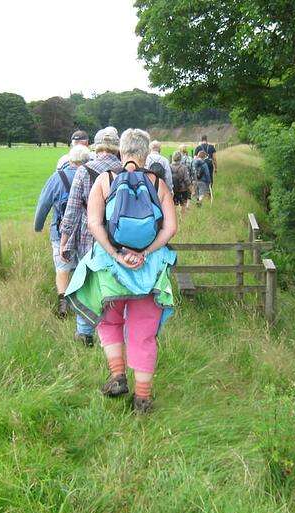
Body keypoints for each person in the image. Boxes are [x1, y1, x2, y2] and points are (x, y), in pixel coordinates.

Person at [65, 128, 177, 414]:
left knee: (109, 321)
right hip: (149, 272)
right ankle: (142, 399)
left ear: (122, 151)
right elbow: (170, 228)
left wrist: (116, 253)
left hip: (110, 269)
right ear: (145, 152)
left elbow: (94, 224)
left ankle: (117, 377)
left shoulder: (105, 180)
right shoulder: (159, 183)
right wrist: (145, 253)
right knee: (143, 334)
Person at [59, 127, 123, 346]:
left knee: (86, 286)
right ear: (117, 147)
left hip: (89, 240)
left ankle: (85, 333)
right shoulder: (127, 171)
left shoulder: (84, 171)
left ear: (96, 146)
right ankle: (116, 335)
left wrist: (65, 239)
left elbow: (72, 210)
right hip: (120, 241)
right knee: (116, 285)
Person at [34, 145, 91, 318]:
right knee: (85, 267)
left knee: (62, 268)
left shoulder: (57, 178)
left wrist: (38, 226)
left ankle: (63, 306)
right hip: (86, 232)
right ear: (87, 160)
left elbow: (44, 204)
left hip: (60, 232)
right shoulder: (92, 176)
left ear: (70, 159)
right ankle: (85, 304)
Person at [170, 151, 190, 219]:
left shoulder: (169, 166)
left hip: (173, 189)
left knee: (174, 205)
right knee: (183, 205)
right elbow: (186, 180)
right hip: (183, 189)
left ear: (173, 158)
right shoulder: (183, 167)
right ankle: (182, 218)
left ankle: (175, 219)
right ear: (180, 158)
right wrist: (191, 189)